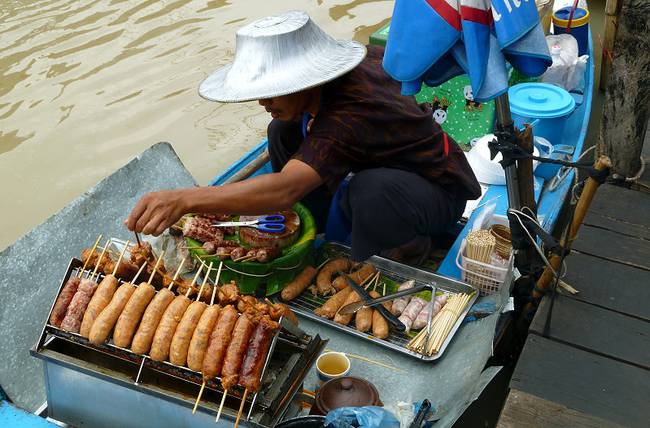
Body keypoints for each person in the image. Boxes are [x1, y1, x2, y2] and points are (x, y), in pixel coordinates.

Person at [126, 11, 481, 263]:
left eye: (272, 91)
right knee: (281, 130)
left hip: (438, 193)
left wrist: (187, 199)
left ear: (305, 80)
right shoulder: (343, 74)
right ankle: (310, 225)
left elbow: (285, 187)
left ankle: (405, 248)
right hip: (385, 160)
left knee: (370, 190)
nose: (263, 101)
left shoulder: (349, 115)